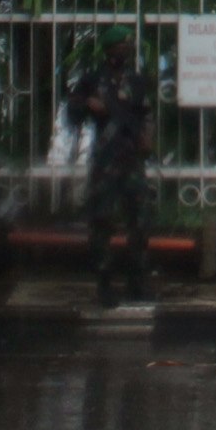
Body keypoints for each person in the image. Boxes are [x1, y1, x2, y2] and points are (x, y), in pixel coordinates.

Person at [67, 38, 160, 302]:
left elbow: (147, 114)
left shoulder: (137, 81)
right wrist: (87, 104)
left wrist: (146, 137)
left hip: (133, 162)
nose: (122, 53)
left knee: (139, 222)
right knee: (102, 221)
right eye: (118, 48)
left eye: (127, 48)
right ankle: (105, 284)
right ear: (107, 51)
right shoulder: (92, 80)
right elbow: (72, 112)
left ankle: (137, 282)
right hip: (105, 162)